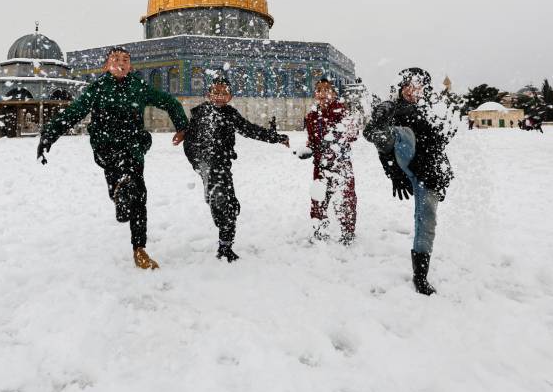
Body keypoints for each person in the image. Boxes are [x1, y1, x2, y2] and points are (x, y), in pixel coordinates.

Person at [38, 47, 188, 270]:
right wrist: (49, 135)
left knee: (139, 194)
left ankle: (139, 249)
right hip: (107, 146)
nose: (121, 63)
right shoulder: (98, 89)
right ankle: (120, 195)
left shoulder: (139, 87)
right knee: (122, 183)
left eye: (125, 60)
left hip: (133, 145)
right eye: (116, 59)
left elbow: (169, 102)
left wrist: (182, 126)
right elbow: (74, 112)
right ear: (107, 65)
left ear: (130, 66)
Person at [363, 68, 455, 296]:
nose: (412, 91)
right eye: (408, 87)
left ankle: (420, 276)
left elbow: (440, 146)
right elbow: (382, 149)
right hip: (403, 153)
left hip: (425, 171)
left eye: (417, 87)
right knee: (403, 133)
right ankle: (381, 130)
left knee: (426, 220)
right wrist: (393, 173)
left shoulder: (433, 111)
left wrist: (443, 175)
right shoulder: (393, 107)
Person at [183, 76, 289, 262]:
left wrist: (275, 137)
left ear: (230, 97)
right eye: (215, 92)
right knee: (219, 202)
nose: (219, 96)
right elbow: (189, 142)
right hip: (206, 167)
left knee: (227, 205)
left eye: (224, 93)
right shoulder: (200, 113)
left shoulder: (230, 114)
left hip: (223, 166)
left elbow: (250, 130)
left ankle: (225, 245)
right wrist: (198, 164)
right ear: (208, 94)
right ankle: (223, 221)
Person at [304, 78, 359, 245]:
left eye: (327, 90)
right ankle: (319, 229)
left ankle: (347, 232)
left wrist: (334, 137)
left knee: (346, 199)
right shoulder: (311, 116)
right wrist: (307, 150)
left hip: (341, 165)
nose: (322, 93)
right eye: (319, 90)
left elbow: (353, 133)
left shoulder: (342, 112)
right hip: (320, 165)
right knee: (318, 199)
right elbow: (311, 141)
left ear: (335, 94)